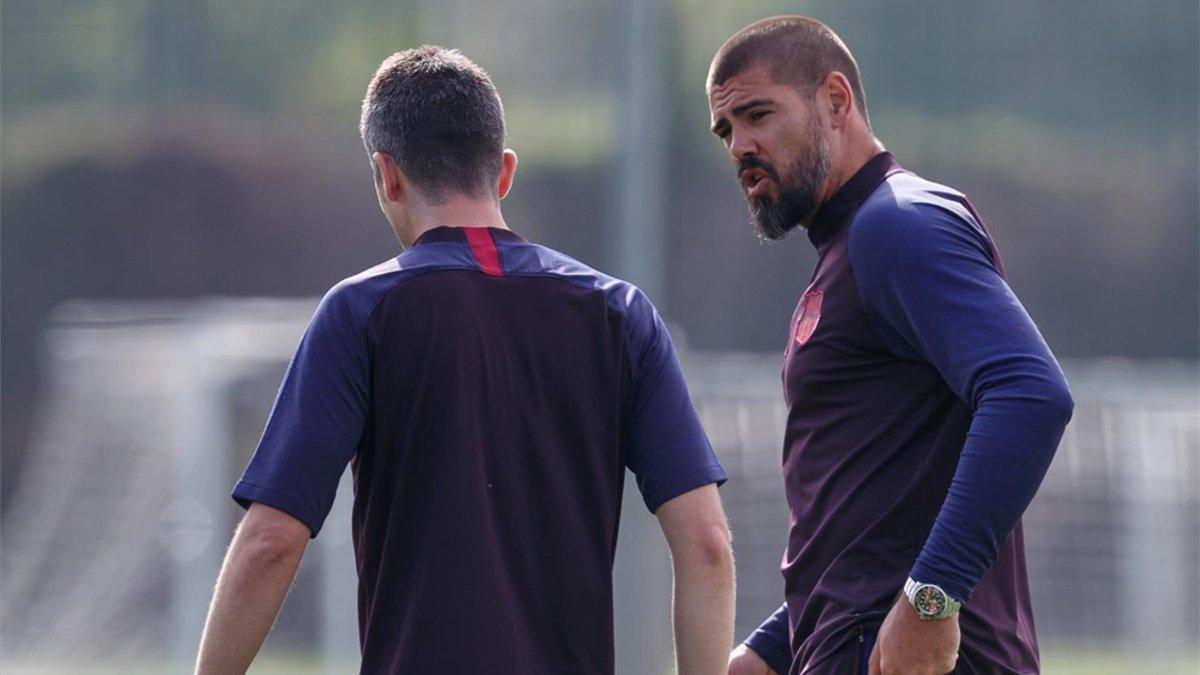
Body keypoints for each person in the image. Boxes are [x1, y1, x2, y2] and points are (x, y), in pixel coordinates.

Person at [194, 45, 735, 675]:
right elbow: (707, 546)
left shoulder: (364, 311)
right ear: (504, 172)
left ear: (387, 175)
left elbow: (270, 542)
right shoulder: (619, 312)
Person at [706, 17, 1074, 675]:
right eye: (726, 130)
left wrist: (931, 599)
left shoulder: (899, 224)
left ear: (836, 101)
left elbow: (1031, 392)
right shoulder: (851, 248)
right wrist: (769, 649)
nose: (740, 145)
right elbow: (874, 522)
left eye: (758, 114)